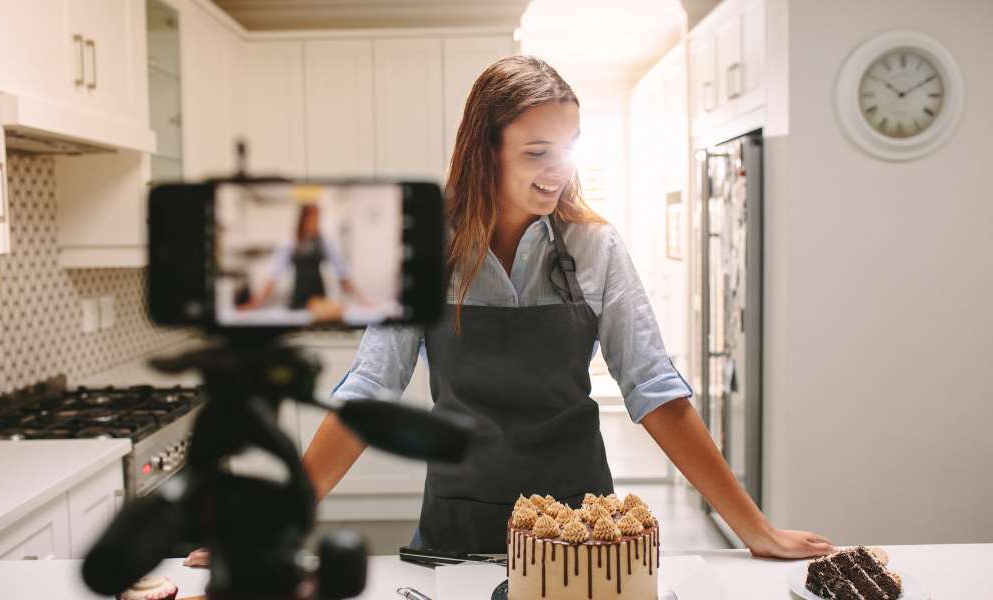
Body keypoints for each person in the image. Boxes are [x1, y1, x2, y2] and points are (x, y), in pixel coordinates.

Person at [186, 55, 831, 567]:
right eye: (536, 152)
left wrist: (753, 528)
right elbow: (370, 390)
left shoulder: (594, 246)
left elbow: (656, 390)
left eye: (568, 146)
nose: (557, 171)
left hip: (580, 532)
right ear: (484, 149)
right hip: (457, 528)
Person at [239, 204, 355, 314]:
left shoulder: (324, 242)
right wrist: (255, 304)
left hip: (319, 303)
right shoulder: (291, 242)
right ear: (303, 220)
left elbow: (342, 275)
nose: (315, 223)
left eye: (317, 219)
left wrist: (364, 302)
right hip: (298, 301)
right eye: (312, 219)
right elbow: (273, 275)